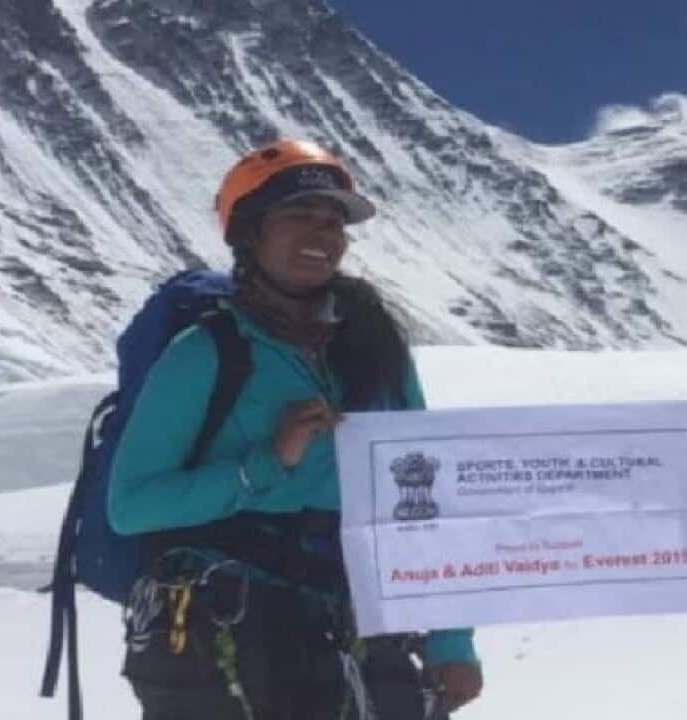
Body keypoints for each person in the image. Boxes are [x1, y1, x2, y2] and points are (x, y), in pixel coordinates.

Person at [108, 139, 482, 719]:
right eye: (298, 215)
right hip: (229, 629)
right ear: (251, 233)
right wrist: (267, 463)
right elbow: (131, 506)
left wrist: (451, 639)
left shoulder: (376, 352)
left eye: (334, 221)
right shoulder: (205, 353)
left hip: (356, 622)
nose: (322, 233)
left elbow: (423, 498)